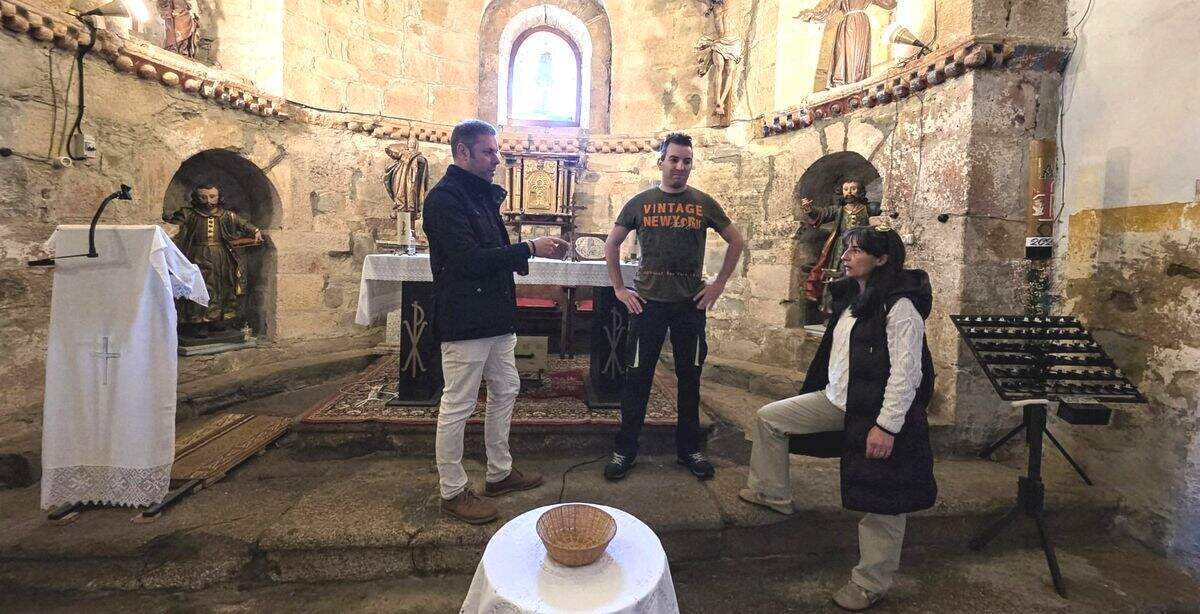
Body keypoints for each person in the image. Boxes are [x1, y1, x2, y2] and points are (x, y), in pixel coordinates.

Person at [739, 225, 937, 611]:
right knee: (770, 418)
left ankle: (870, 582)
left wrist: (886, 427)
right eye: (846, 248)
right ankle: (771, 491)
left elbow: (907, 374)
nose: (845, 256)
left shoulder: (900, 307)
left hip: (879, 414)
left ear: (882, 259)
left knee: (883, 500)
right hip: (838, 401)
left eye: (856, 251)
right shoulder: (853, 298)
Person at [422, 119, 569, 524]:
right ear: (462, 152)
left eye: (497, 151)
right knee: (458, 403)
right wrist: (530, 248)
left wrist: (522, 254)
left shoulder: (481, 195)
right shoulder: (444, 199)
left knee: (507, 388)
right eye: (488, 152)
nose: (497, 159)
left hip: (497, 316)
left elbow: (494, 249)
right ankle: (452, 491)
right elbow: (467, 260)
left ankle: (499, 473)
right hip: (465, 317)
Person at [602, 132, 744, 481]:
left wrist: (719, 284)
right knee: (637, 379)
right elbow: (612, 244)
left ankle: (689, 449)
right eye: (674, 159)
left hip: (689, 308)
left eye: (686, 161)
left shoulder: (703, 203)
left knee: (690, 379)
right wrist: (619, 288)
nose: (680, 166)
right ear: (661, 162)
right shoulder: (640, 202)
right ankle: (625, 450)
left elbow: (736, 240)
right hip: (647, 307)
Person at [164, 184, 261, 338]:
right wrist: (169, 229)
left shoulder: (227, 215)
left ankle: (217, 320)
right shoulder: (189, 214)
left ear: (218, 197)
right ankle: (198, 322)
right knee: (200, 287)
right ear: (196, 198)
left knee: (221, 287)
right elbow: (174, 226)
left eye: (212, 196)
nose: (208, 201)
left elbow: (243, 224)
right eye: (203, 197)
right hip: (197, 255)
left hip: (221, 257)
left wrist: (255, 231)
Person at [801, 179, 880, 312]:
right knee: (836, 274)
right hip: (840, 248)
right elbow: (822, 213)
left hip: (861, 246)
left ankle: (860, 305)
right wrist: (809, 209)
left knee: (862, 274)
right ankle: (832, 308)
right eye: (846, 189)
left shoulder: (867, 209)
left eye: (853, 189)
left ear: (860, 191)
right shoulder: (839, 210)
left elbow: (883, 211)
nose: (849, 192)